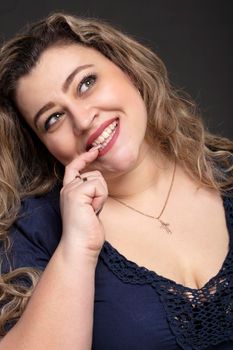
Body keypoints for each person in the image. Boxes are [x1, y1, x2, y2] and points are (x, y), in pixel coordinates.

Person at [0, 12, 232, 350]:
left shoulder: (225, 171)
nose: (82, 120)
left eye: (86, 83)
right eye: (53, 118)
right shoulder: (32, 233)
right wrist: (77, 247)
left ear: (127, 69)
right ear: (44, 145)